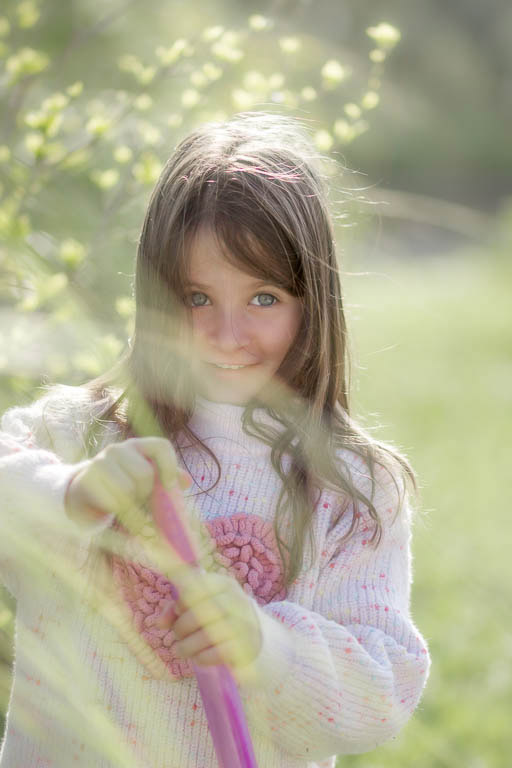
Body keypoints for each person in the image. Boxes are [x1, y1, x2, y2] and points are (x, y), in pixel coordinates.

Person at [0, 112, 430, 768]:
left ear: (312, 299)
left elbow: (380, 696)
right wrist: (68, 494)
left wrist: (265, 646)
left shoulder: (350, 487)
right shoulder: (79, 434)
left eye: (263, 298)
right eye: (197, 298)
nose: (227, 335)